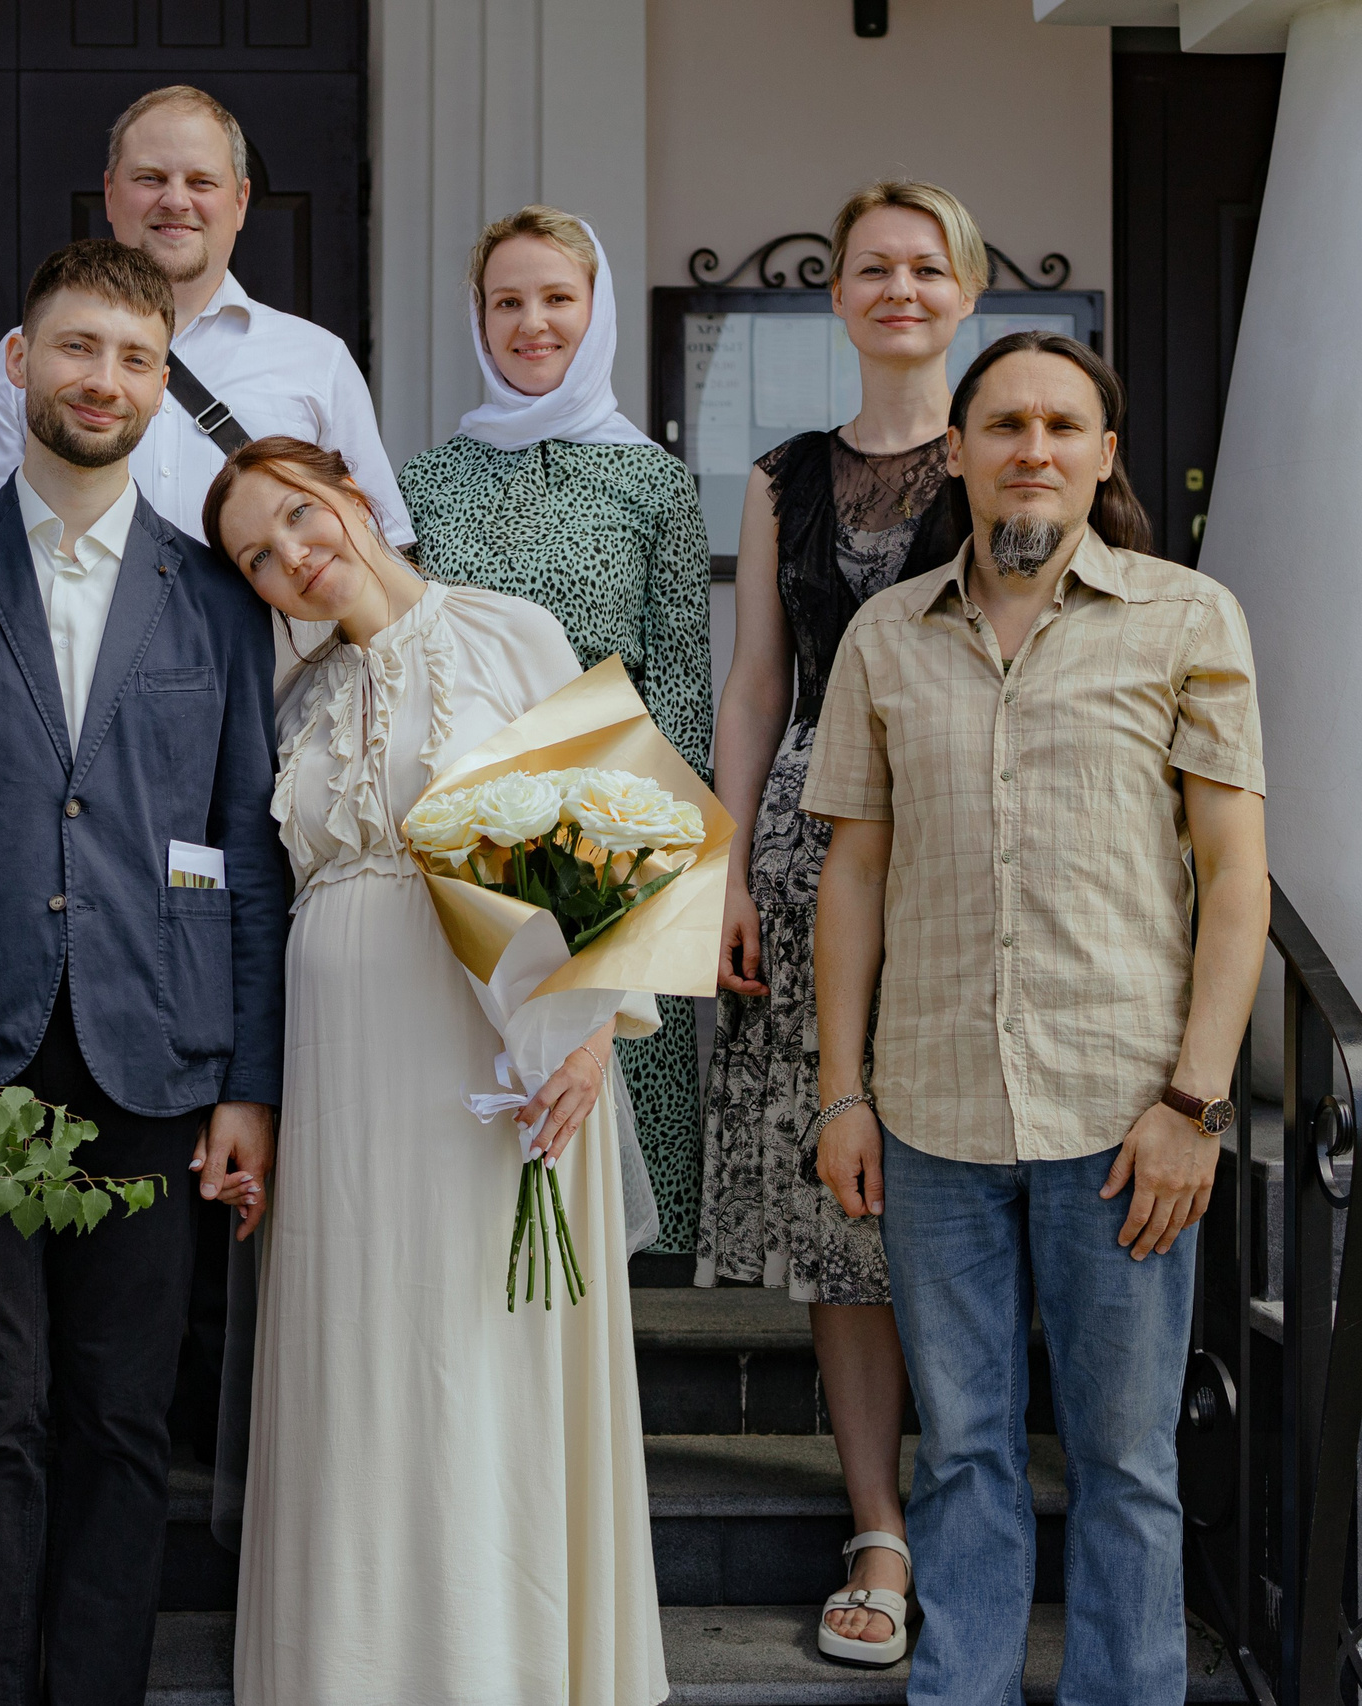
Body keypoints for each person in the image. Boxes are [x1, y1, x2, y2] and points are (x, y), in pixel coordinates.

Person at [809, 331, 1267, 1704]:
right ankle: (961, 1686)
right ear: (956, 450)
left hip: (1124, 1117)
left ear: (1104, 453)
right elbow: (856, 869)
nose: (1036, 446)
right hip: (933, 1108)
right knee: (961, 1451)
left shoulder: (1190, 618)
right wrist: (842, 1087)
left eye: (1066, 424)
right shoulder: (888, 634)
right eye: (1004, 422)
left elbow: (1238, 877)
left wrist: (1194, 1103)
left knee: (1127, 1459)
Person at [0, 238, 289, 1706]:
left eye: (133, 357)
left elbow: (247, 846)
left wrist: (251, 1084)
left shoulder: (216, 598)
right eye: (76, 349)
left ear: (162, 383)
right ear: (19, 362)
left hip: (154, 1054)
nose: (103, 380)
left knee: (121, 1414)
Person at [209, 435, 667, 1704]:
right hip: (339, 1082)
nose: (293, 557)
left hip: (487, 1059)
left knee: (475, 1350)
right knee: (359, 1359)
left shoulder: (505, 631)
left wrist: (586, 1034)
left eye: (300, 516)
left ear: (355, 494)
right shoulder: (293, 701)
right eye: (258, 555)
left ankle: (493, 1666)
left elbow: (616, 848)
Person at [697, 181, 980, 1666]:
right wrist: (729, 865)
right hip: (810, 856)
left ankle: (974, 1496)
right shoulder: (779, 475)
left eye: (925, 266)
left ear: (966, 288)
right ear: (838, 296)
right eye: (873, 267)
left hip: (969, 848)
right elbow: (756, 685)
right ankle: (878, 1519)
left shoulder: (1010, 452)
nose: (898, 287)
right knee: (841, 1212)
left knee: (957, 1188)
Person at [398, 204, 711, 1259]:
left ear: (597, 307)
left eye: (556, 298)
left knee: (611, 1123)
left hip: (615, 825)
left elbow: (678, 677)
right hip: (468, 830)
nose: (532, 323)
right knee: (488, 1113)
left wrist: (649, 872)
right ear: (478, 320)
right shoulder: (428, 479)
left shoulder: (654, 481)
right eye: (507, 302)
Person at [0, 84, 405, 545]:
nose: (176, 200)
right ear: (109, 191)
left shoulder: (318, 360)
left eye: (201, 182)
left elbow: (377, 551)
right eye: (150, 178)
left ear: (240, 201)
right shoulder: (33, 354)